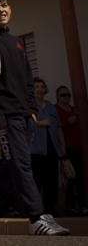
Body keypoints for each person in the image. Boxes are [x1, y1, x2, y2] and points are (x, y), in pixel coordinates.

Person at [0, 0, 69, 235]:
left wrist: (32, 110)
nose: (1, 10)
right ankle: (38, 218)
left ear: (9, 9)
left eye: (4, 6)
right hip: (6, 116)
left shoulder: (16, 42)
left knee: (15, 165)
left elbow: (27, 78)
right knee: (22, 165)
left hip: (26, 116)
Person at [30, 77, 67, 216]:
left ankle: (50, 210)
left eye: (42, 86)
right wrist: (41, 122)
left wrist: (62, 146)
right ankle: (35, 211)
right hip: (35, 150)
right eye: (37, 87)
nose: (40, 89)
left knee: (52, 182)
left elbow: (58, 127)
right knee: (36, 181)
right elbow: (24, 125)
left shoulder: (51, 105)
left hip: (52, 149)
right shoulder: (29, 106)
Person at [55, 85, 87, 215]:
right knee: (69, 177)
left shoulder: (74, 109)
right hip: (66, 148)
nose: (67, 97)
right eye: (63, 95)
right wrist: (73, 118)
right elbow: (59, 126)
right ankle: (69, 206)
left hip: (78, 147)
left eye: (68, 95)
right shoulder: (56, 109)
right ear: (58, 97)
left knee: (79, 177)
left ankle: (82, 205)